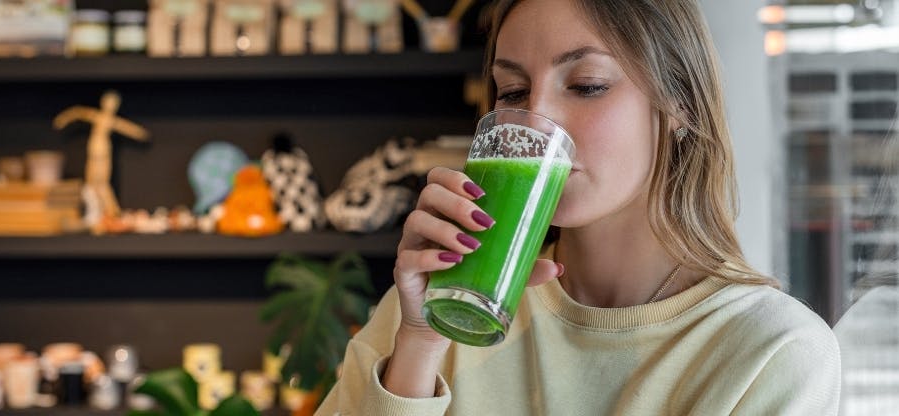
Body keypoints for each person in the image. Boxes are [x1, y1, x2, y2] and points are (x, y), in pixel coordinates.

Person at [316, 0, 841, 414]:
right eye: (513, 91)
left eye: (587, 85)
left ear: (679, 102)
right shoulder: (435, 303)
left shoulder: (772, 353)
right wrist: (419, 346)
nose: (537, 121)